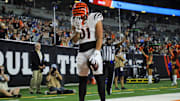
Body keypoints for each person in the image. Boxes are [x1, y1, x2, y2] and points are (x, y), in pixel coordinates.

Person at [71, 2, 105, 101]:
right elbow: (75, 40)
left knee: (99, 77)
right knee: (82, 79)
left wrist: (97, 52)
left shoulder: (95, 17)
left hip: (93, 49)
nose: (79, 18)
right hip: (81, 51)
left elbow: (99, 37)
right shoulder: (74, 20)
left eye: (80, 15)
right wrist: (77, 31)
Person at [102, 31, 128, 95]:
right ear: (106, 41)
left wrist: (126, 36)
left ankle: (109, 90)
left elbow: (121, 42)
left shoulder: (113, 46)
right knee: (103, 77)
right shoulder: (103, 46)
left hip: (111, 63)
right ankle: (102, 90)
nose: (109, 41)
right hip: (105, 63)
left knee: (111, 78)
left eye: (110, 40)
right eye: (108, 40)